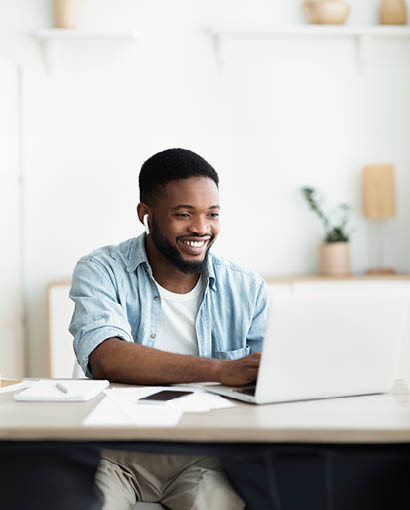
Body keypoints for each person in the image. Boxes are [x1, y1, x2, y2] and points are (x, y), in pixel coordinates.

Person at [69, 148, 269, 510]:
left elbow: (269, 378)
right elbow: (107, 357)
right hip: (115, 453)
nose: (201, 228)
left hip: (204, 455)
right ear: (146, 215)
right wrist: (222, 371)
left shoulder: (247, 287)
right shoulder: (101, 270)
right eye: (183, 215)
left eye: (212, 214)